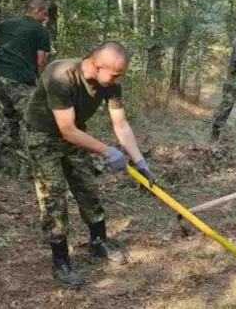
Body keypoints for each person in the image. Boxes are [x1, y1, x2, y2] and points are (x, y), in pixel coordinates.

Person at [22, 41, 155, 289]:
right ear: (98, 65)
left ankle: (98, 243)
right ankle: (60, 261)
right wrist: (107, 151)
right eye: (115, 74)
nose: (118, 80)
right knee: (54, 197)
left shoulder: (111, 84)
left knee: (87, 188)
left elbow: (121, 124)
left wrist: (139, 161)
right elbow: (66, 129)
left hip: (75, 134)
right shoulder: (60, 75)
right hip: (43, 135)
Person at [0, 0, 51, 181]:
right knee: (32, 122)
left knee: (11, 118)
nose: (46, 17)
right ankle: (26, 171)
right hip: (20, 80)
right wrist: (40, 82)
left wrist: (6, 53)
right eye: (45, 13)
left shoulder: (6, 24)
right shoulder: (40, 31)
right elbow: (41, 61)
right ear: (36, 10)